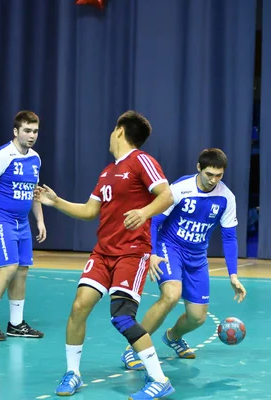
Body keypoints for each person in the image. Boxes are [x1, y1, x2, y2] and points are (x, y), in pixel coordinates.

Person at [34, 111, 176, 399]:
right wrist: (56, 201)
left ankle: (160, 380)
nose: (110, 135)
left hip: (132, 253)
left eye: (113, 130)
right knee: (78, 307)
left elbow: (167, 195)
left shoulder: (141, 161)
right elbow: (89, 211)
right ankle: (73, 374)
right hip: (103, 253)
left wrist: (144, 212)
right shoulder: (107, 171)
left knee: (122, 317)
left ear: (120, 131)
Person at [120, 148, 247, 371]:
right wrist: (152, 253)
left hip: (197, 256)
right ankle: (133, 349)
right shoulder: (180, 189)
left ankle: (173, 337)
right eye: (209, 174)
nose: (213, 180)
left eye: (219, 175)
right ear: (199, 168)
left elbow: (229, 237)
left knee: (197, 318)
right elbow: (155, 220)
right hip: (170, 247)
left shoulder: (226, 197)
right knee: (171, 295)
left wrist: (233, 275)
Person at [0, 110, 46, 341]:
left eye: (35, 131)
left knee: (22, 270)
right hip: (1, 219)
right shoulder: (2, 155)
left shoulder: (35, 158)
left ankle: (16, 324)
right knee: (8, 268)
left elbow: (34, 192)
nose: (31, 135)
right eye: (27, 130)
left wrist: (40, 221)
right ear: (16, 131)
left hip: (22, 222)